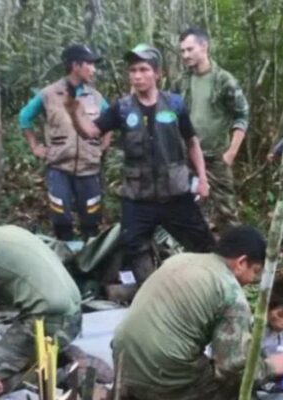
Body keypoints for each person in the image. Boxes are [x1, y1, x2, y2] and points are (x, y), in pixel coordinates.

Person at [68, 44, 215, 285]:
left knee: (202, 243)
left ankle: (207, 288)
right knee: (134, 245)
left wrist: (202, 180)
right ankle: (151, 291)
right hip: (138, 196)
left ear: (157, 74)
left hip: (175, 193)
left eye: (144, 69)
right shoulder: (122, 108)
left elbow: (191, 142)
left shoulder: (175, 104)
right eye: (133, 70)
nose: (137, 76)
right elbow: (92, 132)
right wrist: (74, 111)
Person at [111, 226, 283, 399]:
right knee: (237, 386)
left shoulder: (179, 260)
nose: (252, 279)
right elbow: (231, 367)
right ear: (241, 262)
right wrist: (271, 366)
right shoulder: (230, 292)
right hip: (162, 376)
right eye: (255, 271)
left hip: (122, 361)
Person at [0, 200, 83, 396]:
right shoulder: (7, 231)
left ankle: (64, 376)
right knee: (3, 364)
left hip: (46, 322)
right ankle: (58, 367)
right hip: (73, 316)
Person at [18, 44, 111, 241]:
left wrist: (103, 146)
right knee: (60, 218)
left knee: (91, 219)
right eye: (90, 64)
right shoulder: (49, 94)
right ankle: (64, 258)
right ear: (75, 65)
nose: (94, 69)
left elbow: (109, 121)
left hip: (89, 168)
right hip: (59, 167)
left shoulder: (95, 96)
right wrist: (35, 146)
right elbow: (25, 118)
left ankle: (90, 261)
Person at [178, 27, 250, 233]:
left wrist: (231, 153)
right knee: (188, 210)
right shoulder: (182, 81)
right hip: (188, 158)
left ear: (204, 46)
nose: (185, 55)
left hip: (217, 157)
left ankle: (235, 259)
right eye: (182, 51)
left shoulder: (224, 80)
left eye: (190, 49)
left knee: (226, 212)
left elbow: (242, 115)